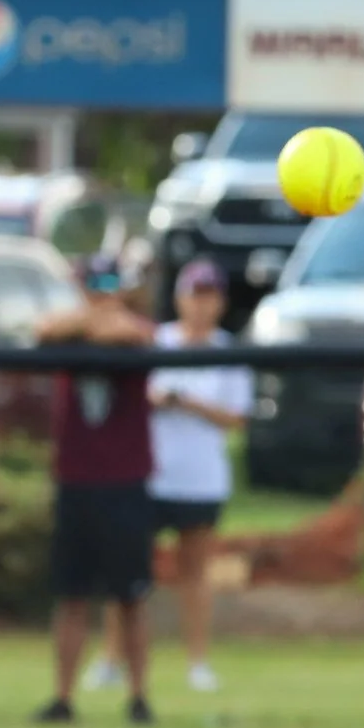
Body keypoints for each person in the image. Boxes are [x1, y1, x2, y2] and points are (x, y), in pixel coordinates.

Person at [85, 259, 251, 694]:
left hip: (201, 477)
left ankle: (197, 661)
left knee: (194, 571)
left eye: (209, 295)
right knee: (129, 570)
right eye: (194, 294)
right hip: (150, 473)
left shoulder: (228, 351)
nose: (201, 304)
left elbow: (237, 417)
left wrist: (186, 402)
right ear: (179, 299)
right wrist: (159, 400)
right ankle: (111, 658)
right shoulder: (154, 341)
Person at [32, 254, 157, 726]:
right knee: (71, 595)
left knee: (131, 596)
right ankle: (63, 698)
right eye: (91, 284)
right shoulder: (68, 330)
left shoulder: (134, 331)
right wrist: (87, 319)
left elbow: (134, 333)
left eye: (108, 283)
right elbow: (43, 329)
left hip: (125, 480)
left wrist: (99, 320)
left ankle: (139, 696)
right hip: (76, 479)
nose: (100, 292)